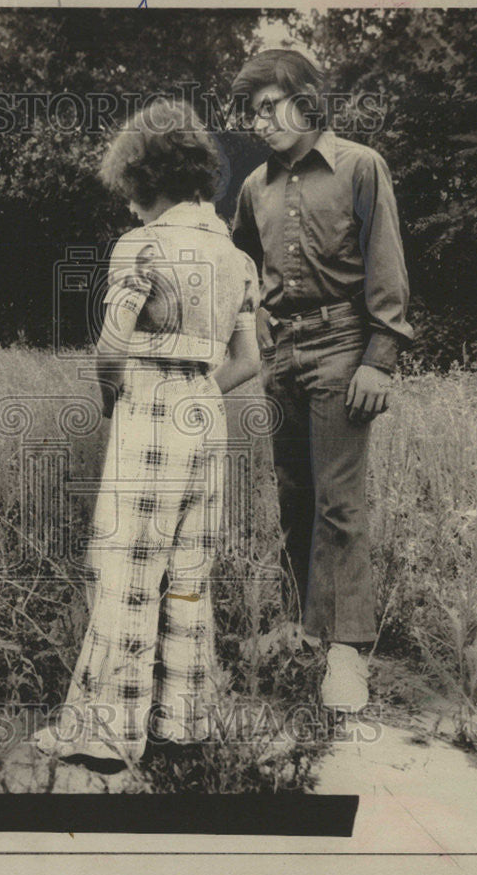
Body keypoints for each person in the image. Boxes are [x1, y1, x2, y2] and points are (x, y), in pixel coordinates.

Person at [33, 99, 261, 769]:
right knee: (190, 570)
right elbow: (248, 361)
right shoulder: (236, 257)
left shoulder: (142, 247)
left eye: (132, 191)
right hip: (206, 417)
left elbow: (110, 349)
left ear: (146, 177)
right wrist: (197, 395)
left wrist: (114, 401)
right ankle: (181, 725)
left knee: (128, 572)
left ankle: (107, 737)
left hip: (148, 410)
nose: (130, 205)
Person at [230, 49, 413, 713]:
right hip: (283, 356)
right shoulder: (254, 187)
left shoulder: (360, 166)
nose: (259, 121)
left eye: (269, 105)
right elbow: (243, 265)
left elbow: (385, 261)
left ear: (308, 99)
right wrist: (255, 329)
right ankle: (299, 631)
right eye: (251, 111)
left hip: (344, 344)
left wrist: (379, 354)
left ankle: (346, 650)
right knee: (292, 495)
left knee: (340, 501)